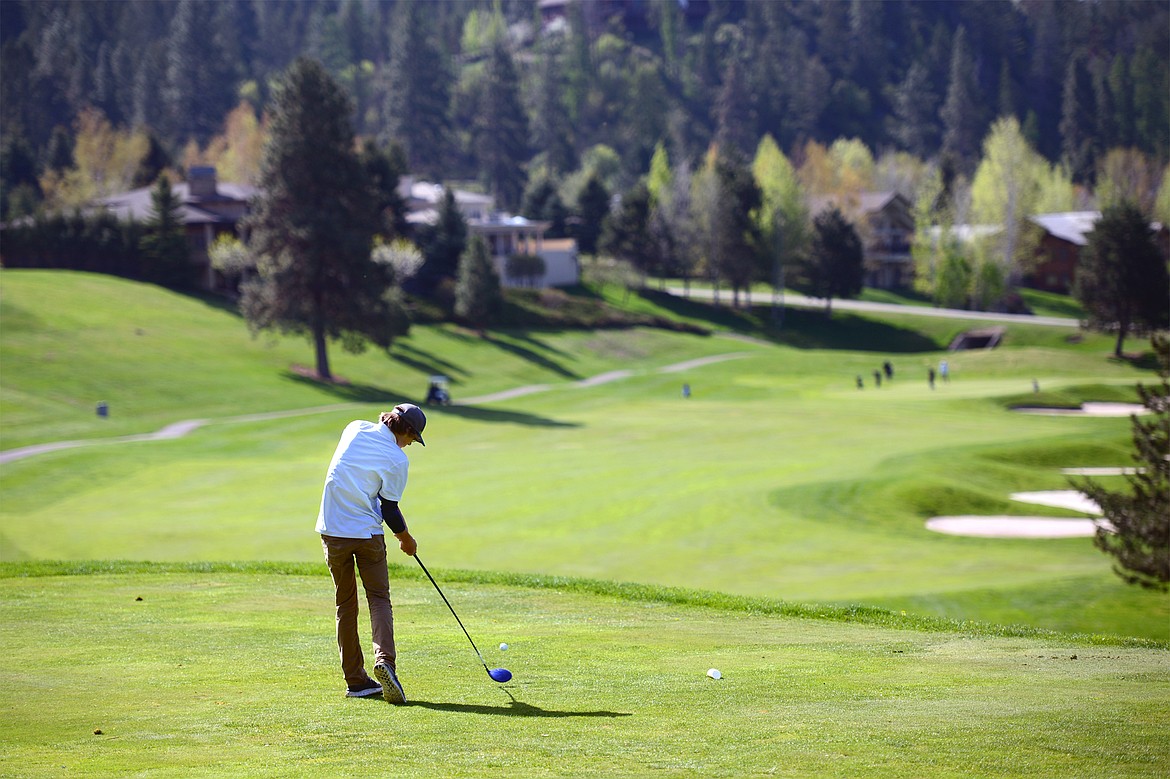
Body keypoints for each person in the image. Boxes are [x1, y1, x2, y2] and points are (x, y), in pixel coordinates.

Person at [315, 403, 427, 704]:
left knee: (345, 604)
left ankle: (356, 681)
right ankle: (385, 663)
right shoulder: (397, 460)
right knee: (378, 599)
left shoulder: (354, 427)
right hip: (366, 533)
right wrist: (406, 539)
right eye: (412, 439)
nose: (409, 445)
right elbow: (389, 507)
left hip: (332, 530)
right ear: (407, 431)